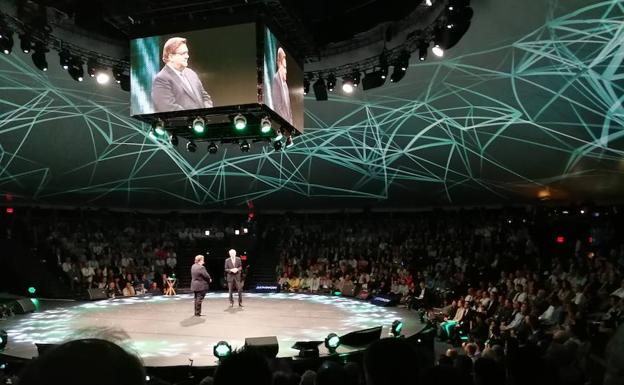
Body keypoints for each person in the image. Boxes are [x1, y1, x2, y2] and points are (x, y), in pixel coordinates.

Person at [152, 37, 213, 112]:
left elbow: (205, 97)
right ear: (170, 57)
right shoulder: (161, 79)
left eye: (187, 53)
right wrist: (193, 116)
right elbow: (167, 108)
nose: (187, 56)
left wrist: (206, 113)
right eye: (183, 53)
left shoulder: (191, 73)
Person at [271, 47, 293, 125]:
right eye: (284, 59)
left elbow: (288, 106)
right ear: (279, 62)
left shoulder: (284, 83)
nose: (286, 70)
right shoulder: (276, 78)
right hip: (282, 118)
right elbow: (277, 103)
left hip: (287, 119)